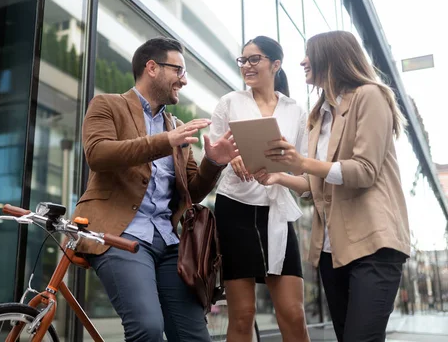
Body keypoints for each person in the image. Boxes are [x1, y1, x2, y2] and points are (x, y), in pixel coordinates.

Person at [72, 36, 239, 342]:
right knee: (148, 329)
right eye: (178, 70)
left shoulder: (175, 126)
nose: (184, 80)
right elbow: (98, 154)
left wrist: (214, 162)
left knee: (194, 337)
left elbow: (191, 190)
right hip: (119, 234)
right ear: (152, 67)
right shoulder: (108, 105)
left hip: (168, 242)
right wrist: (165, 142)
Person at [254, 30, 411, 342]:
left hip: (374, 244)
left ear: (331, 56)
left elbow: (363, 171)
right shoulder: (318, 115)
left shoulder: (370, 96)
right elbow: (316, 185)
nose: (302, 61)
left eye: (309, 54)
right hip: (331, 250)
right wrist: (278, 176)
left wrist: (301, 163)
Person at [209, 36, 310, 342]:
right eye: (243, 60)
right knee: (242, 315)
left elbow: (305, 180)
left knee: (293, 312)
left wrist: (278, 177)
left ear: (275, 65)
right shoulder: (229, 102)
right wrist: (231, 159)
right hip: (235, 210)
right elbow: (213, 157)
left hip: (276, 212)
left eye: (255, 59)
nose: (247, 66)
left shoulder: (296, 111)